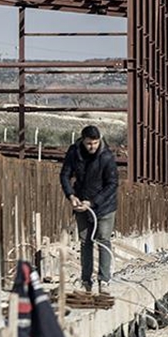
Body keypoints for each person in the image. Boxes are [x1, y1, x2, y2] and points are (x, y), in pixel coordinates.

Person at [58, 125, 118, 294]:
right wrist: (71, 196)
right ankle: (86, 281)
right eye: (89, 143)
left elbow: (112, 184)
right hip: (81, 203)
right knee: (85, 242)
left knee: (103, 240)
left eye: (95, 143)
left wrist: (92, 203)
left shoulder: (106, 156)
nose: (92, 147)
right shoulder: (74, 152)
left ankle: (104, 281)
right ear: (82, 141)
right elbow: (64, 175)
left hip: (104, 206)